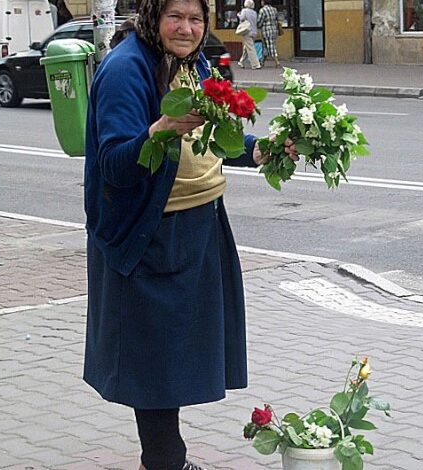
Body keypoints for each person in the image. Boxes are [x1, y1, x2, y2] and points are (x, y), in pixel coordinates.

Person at [83, 0, 297, 469]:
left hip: (199, 225)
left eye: (196, 18)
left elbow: (212, 137)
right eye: (175, 16)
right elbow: (115, 166)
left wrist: (257, 149)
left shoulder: (193, 63)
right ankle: (165, 462)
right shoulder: (126, 69)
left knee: (172, 359)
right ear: (153, 17)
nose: (186, 27)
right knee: (154, 363)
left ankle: (165, 461)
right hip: (147, 234)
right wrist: (158, 130)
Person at [237, 0, 261, 70]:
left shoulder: (244, 11)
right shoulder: (254, 12)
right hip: (254, 32)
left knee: (250, 48)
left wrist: (238, 15)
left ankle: (256, 65)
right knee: (246, 47)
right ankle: (241, 62)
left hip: (247, 32)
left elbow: (242, 18)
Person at [257, 0, 281, 68]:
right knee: (266, 46)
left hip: (266, 30)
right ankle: (262, 62)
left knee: (270, 46)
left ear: (264, 2)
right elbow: (277, 19)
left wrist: (258, 25)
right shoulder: (274, 9)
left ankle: (277, 62)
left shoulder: (262, 10)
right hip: (274, 30)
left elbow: (260, 21)